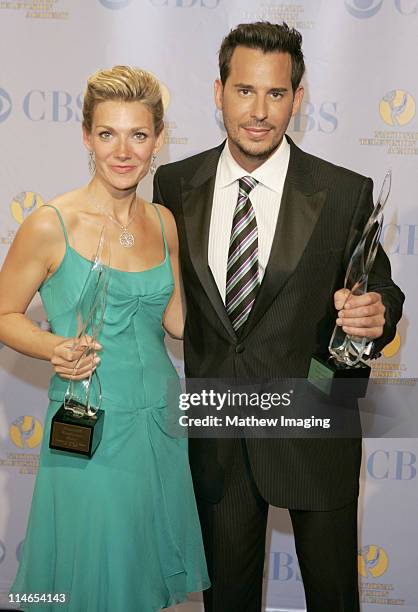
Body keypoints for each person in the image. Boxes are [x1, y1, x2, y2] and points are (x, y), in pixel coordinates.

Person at [153, 22, 405, 612]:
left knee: (334, 598)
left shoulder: (343, 192)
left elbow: (381, 289)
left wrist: (377, 313)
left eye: (276, 93)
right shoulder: (173, 183)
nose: (259, 111)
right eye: (244, 91)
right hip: (217, 439)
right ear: (218, 93)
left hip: (315, 429)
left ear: (297, 97)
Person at [0, 65, 209, 611]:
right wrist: (53, 347)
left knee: (141, 577)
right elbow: (2, 313)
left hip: (160, 423)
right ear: (87, 135)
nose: (123, 150)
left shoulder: (164, 221)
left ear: (157, 140)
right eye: (108, 133)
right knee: (95, 574)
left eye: (139, 135)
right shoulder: (52, 222)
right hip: (88, 422)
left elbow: (180, 323)